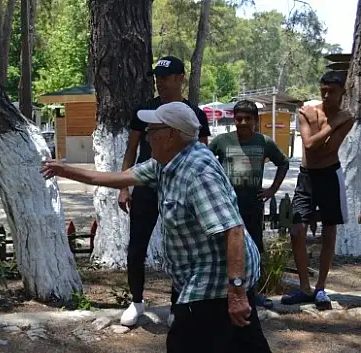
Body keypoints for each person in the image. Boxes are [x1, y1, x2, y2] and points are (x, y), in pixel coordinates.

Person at [41, 102, 281, 353]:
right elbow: (118, 178)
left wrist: (236, 292)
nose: (146, 136)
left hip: (213, 282)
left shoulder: (198, 172)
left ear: (171, 135)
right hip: (205, 277)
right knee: (245, 344)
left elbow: (232, 229)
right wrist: (65, 170)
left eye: (152, 130)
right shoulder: (165, 162)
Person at [118, 55, 211, 326]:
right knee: (136, 248)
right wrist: (124, 187)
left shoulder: (195, 114)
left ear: (181, 77)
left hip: (179, 188)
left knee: (180, 248)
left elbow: (202, 154)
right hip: (147, 184)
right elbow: (131, 151)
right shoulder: (144, 110)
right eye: (158, 78)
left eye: (167, 77)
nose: (161, 83)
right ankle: (136, 301)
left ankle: (177, 304)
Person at [282, 71, 353, 310]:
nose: (326, 94)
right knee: (297, 228)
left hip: (330, 175)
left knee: (329, 230)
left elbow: (331, 149)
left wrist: (324, 133)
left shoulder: (348, 119)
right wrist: (332, 124)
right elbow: (311, 147)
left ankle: (321, 288)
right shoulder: (308, 111)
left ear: (343, 92)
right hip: (306, 177)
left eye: (332, 91)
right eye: (323, 89)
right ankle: (304, 287)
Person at [209, 100, 290, 308]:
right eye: (239, 118)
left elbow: (283, 163)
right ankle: (225, 292)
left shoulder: (264, 142)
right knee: (226, 249)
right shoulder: (222, 142)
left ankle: (252, 294)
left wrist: (272, 190)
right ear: (234, 119)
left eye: (248, 119)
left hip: (253, 206)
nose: (243, 122)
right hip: (227, 207)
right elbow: (206, 163)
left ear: (255, 120)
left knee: (253, 248)